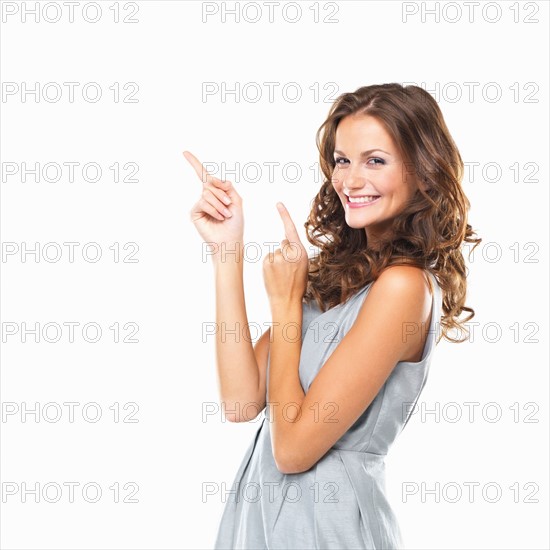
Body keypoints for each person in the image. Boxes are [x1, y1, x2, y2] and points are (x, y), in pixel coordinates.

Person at [184, 83, 481, 549]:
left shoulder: (404, 287)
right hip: (261, 522)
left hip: (329, 526)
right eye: (342, 159)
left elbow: (293, 450)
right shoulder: (338, 279)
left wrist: (285, 309)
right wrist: (227, 252)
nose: (351, 180)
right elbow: (241, 402)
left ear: (423, 172)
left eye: (375, 160)